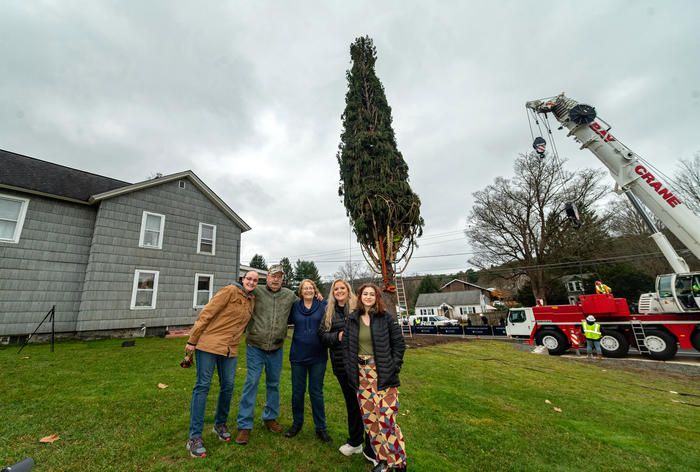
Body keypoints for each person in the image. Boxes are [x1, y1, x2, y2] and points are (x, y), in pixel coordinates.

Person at [184, 271, 258, 458]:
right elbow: (207, 313)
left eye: (255, 280)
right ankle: (194, 437)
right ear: (243, 279)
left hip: (230, 349)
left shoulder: (252, 300)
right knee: (203, 386)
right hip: (209, 344)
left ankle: (220, 425)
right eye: (248, 278)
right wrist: (192, 340)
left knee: (228, 386)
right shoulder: (229, 291)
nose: (251, 282)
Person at [344, 283, 407, 471]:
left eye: (372, 294)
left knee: (386, 420)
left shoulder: (385, 318)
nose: (369, 297)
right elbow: (346, 348)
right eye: (365, 294)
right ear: (360, 296)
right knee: (371, 421)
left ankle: (398, 462)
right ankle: (384, 461)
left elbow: (399, 345)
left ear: (377, 297)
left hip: (382, 375)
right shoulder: (352, 319)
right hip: (361, 376)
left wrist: (392, 368)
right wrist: (350, 370)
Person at [235, 264, 297, 445]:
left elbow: (305, 304)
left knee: (273, 384)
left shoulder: (289, 295)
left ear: (282, 279)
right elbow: (238, 290)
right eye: (273, 276)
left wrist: (317, 296)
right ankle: (244, 425)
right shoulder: (257, 291)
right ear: (267, 277)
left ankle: (270, 418)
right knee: (251, 382)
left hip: (276, 348)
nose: (276, 279)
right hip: (255, 346)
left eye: (279, 276)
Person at [318, 279, 377, 464]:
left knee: (368, 405)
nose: (339, 291)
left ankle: (373, 447)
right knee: (352, 403)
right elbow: (321, 335)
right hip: (341, 365)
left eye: (342, 288)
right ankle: (355, 441)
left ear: (348, 290)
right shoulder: (328, 311)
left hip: (361, 363)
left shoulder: (357, 308)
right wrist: (337, 336)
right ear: (332, 292)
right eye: (336, 289)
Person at [284, 279, 331, 443]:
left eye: (311, 287)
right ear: (301, 291)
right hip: (298, 355)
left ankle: (321, 428)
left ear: (315, 290)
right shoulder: (295, 306)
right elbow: (285, 320)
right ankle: (297, 424)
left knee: (316, 392)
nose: (308, 290)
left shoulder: (323, 304)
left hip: (318, 355)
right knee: (297, 392)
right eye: (305, 288)